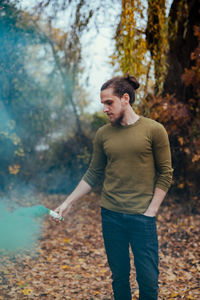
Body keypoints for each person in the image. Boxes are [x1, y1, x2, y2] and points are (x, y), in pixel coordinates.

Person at [55, 75, 173, 300]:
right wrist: (67, 202)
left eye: (109, 103)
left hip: (142, 217)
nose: (105, 109)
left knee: (148, 281)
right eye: (103, 104)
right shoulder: (103, 134)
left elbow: (166, 174)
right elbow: (93, 173)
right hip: (111, 216)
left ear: (125, 98)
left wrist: (151, 212)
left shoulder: (154, 130)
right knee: (119, 279)